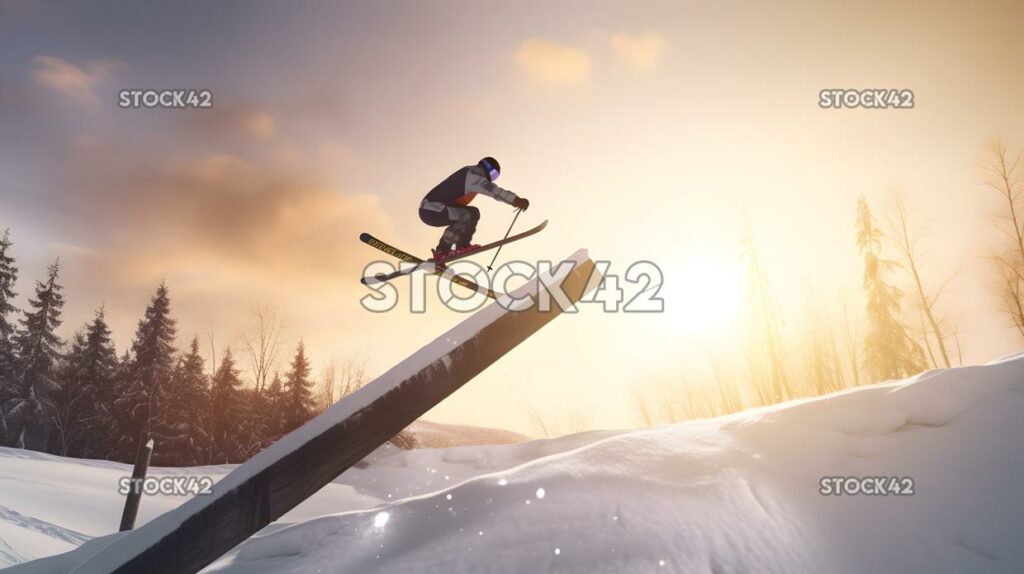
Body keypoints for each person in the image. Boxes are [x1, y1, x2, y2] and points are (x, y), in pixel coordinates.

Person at [419, 156, 530, 261]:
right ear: (487, 167)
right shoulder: (472, 175)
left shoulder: (471, 175)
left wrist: (514, 201)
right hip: (431, 209)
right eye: (493, 174)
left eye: (495, 176)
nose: (492, 178)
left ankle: (442, 253)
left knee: (470, 214)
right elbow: (493, 191)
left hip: (432, 210)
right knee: (468, 215)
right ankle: (457, 247)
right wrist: (515, 200)